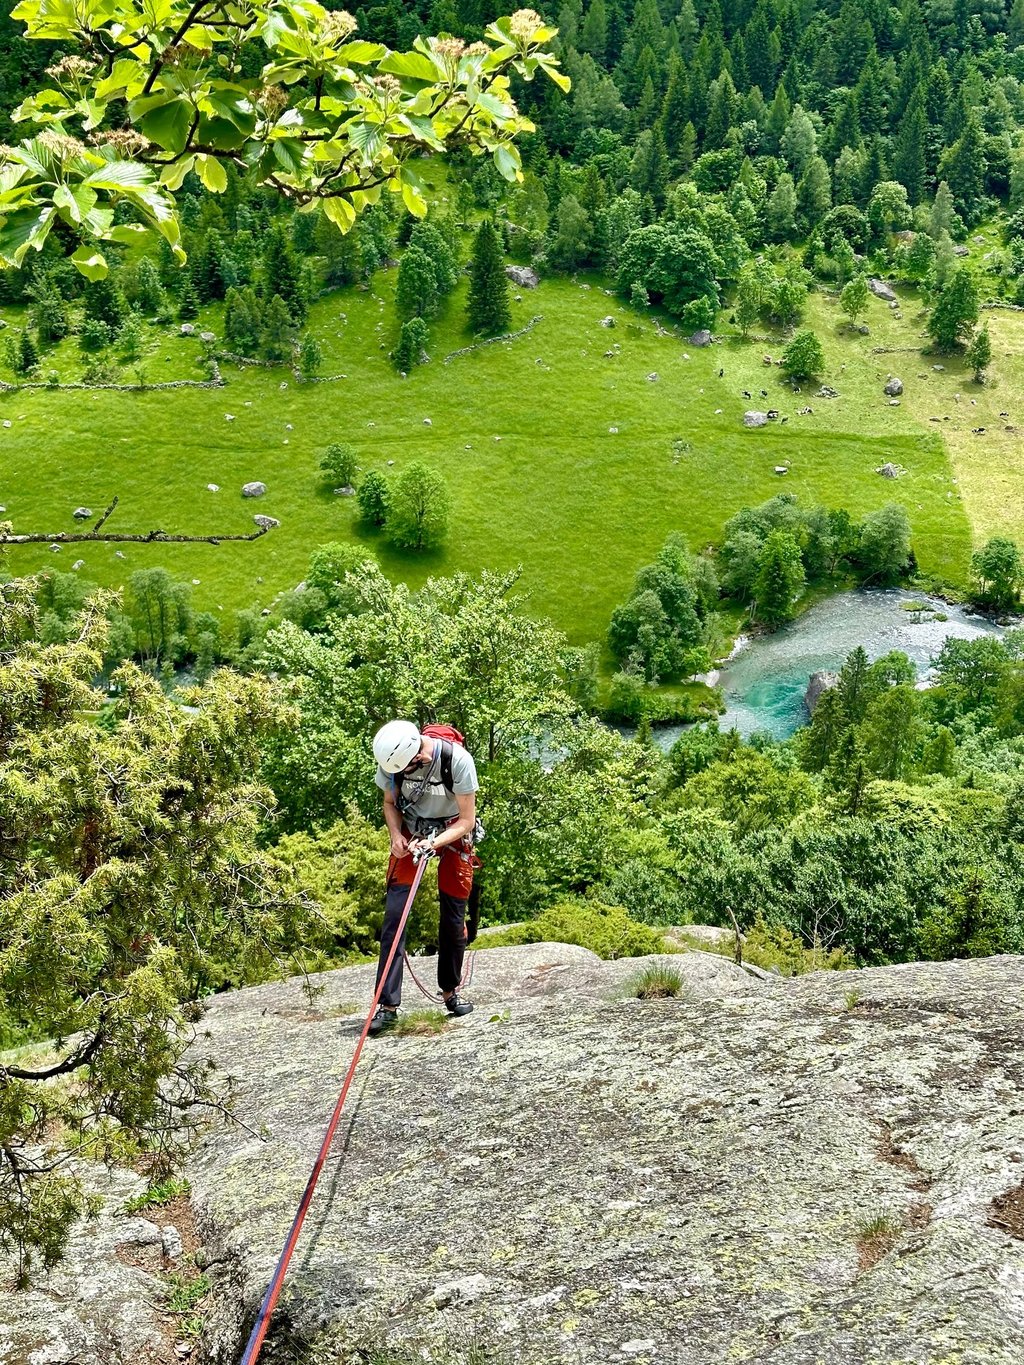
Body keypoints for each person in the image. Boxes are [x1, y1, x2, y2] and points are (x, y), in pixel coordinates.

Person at [368, 720, 480, 1035]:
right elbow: (390, 804)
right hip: (412, 828)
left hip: (452, 830)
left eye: (413, 765)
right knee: (395, 915)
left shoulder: (457, 760)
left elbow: (467, 820)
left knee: (453, 913)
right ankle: (387, 1006)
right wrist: (395, 836)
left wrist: (434, 843)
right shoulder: (392, 764)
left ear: (418, 752)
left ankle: (450, 992)